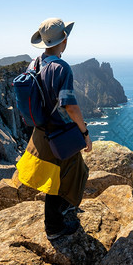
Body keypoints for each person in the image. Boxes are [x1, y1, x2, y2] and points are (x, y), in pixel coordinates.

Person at [16, 17, 92, 240]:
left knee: (72, 171)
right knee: (59, 179)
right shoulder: (62, 68)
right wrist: (85, 133)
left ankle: (65, 209)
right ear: (64, 40)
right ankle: (54, 228)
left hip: (42, 131)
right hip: (60, 134)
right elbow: (69, 105)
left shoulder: (35, 63)